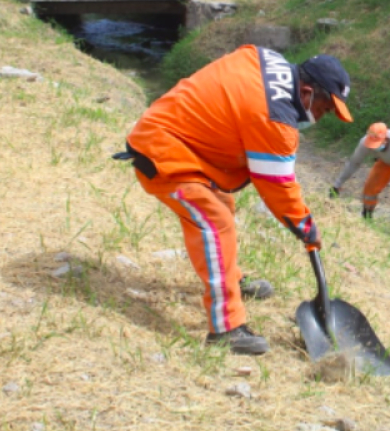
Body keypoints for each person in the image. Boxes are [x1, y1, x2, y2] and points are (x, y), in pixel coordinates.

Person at [120, 48, 354, 355]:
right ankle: (226, 328)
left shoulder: (264, 58)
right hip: (162, 151)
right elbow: (278, 188)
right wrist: (306, 227)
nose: (320, 118)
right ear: (307, 92)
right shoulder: (275, 117)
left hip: (182, 138)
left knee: (222, 206)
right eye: (323, 109)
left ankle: (232, 278)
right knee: (214, 222)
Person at [331, 123, 390, 244]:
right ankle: (367, 219)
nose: (374, 148)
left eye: (377, 145)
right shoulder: (364, 143)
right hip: (385, 161)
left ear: (386, 138)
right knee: (370, 188)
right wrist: (337, 184)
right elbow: (354, 163)